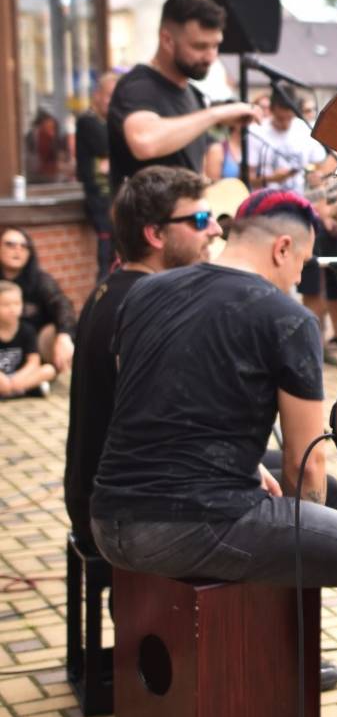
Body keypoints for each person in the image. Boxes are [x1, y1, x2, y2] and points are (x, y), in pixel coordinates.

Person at [89, 189, 337, 717]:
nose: (300, 278)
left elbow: (148, 400)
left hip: (109, 517)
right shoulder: (287, 318)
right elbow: (306, 465)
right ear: (282, 248)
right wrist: (308, 546)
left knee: (321, 500)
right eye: (302, 263)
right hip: (188, 524)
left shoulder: (146, 291)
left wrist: (249, 464)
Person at [63, 166, 217, 551]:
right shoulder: (151, 306)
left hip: (97, 494)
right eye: (200, 220)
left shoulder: (111, 288)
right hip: (127, 512)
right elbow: (175, 426)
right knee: (307, 502)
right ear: (155, 235)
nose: (215, 230)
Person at [106, 0, 255, 189]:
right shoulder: (136, 86)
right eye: (200, 46)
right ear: (167, 40)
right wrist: (216, 114)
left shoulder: (194, 94)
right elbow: (144, 142)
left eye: (215, 46)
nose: (211, 57)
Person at [0, 228, 76, 374]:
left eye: (24, 246)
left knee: (56, 334)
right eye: (10, 244)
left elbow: (61, 304)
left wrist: (64, 335)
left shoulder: (40, 280)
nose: (18, 250)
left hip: (34, 348)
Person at [75, 72, 118, 280]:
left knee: (117, 251)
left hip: (113, 196)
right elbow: (105, 146)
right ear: (97, 95)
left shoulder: (111, 123)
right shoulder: (88, 121)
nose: (114, 102)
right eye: (110, 95)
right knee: (106, 251)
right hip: (100, 198)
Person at [0, 281, 52, 398]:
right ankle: (22, 390)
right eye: (6, 305)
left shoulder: (27, 330)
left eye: (16, 303)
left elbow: (34, 361)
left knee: (49, 370)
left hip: (20, 377)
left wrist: (18, 379)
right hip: (1, 380)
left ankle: (12, 390)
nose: (12, 309)